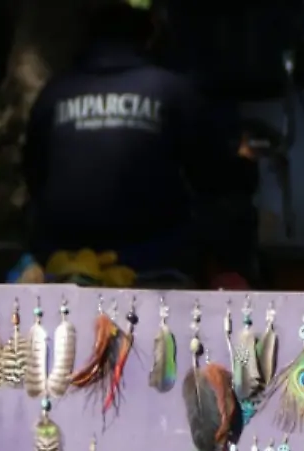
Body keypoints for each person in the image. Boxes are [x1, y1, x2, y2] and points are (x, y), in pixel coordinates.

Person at [22, 0, 254, 280]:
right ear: (152, 28)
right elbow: (215, 177)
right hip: (155, 263)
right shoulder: (172, 91)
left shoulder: (54, 94)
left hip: (65, 263)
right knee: (232, 211)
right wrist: (245, 163)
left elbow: (34, 180)